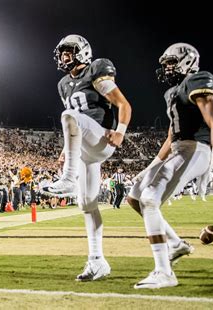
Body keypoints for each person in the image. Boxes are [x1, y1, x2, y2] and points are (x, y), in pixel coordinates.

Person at [127, 43, 213, 289]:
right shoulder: (173, 92)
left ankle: (164, 272)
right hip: (179, 148)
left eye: (171, 62)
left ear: (187, 61)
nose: (167, 68)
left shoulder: (198, 80)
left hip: (197, 149)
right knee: (135, 196)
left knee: (150, 198)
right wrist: (150, 166)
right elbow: (173, 135)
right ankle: (176, 244)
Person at [43, 34, 132, 281]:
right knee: (86, 204)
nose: (63, 56)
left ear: (81, 51)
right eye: (61, 52)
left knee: (68, 116)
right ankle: (97, 261)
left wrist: (121, 132)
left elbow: (124, 104)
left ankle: (68, 178)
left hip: (102, 137)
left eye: (68, 51)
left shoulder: (95, 70)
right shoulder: (62, 84)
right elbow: (73, 124)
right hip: (83, 147)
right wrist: (66, 148)